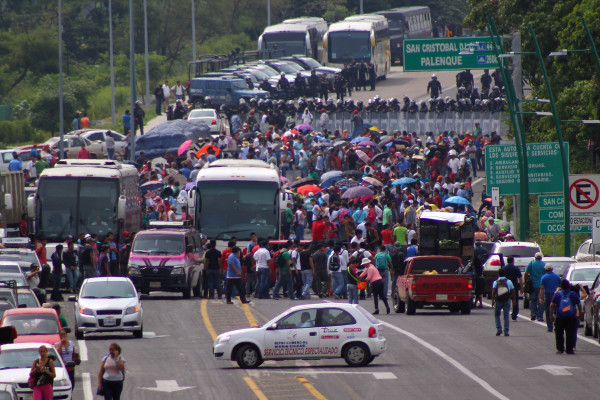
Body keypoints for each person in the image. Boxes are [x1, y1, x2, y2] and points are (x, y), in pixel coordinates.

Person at [550, 279, 582, 354]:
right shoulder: (573, 294)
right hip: (571, 317)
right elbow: (579, 305)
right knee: (570, 333)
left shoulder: (557, 294)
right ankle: (569, 349)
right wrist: (580, 314)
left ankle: (560, 348)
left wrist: (551, 315)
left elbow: (552, 305)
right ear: (569, 286)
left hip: (560, 317)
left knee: (559, 333)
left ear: (561, 286)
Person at [491, 268, 516, 336]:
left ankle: (499, 328)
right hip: (507, 300)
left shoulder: (496, 282)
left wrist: (493, 301)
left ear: (498, 274)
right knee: (506, 316)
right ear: (505, 274)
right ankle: (506, 331)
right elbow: (513, 291)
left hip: (498, 300)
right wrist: (514, 300)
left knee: (497, 315)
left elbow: (493, 292)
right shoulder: (509, 281)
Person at [524, 252, 546, 321]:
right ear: (541, 257)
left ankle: (533, 313)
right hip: (541, 285)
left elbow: (526, 273)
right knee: (541, 300)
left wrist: (526, 281)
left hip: (532, 285)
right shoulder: (544, 264)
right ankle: (540, 316)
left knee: (532, 300)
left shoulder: (531, 264)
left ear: (535, 257)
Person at [539, 264, 561, 332]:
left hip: (547, 295)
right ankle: (557, 325)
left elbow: (542, 288)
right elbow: (560, 286)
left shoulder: (544, 277)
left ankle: (550, 327)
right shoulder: (557, 276)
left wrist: (540, 297)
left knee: (548, 311)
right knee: (557, 310)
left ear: (545, 269)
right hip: (556, 294)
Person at [502, 256, 522, 321]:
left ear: (507, 261)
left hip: (505, 286)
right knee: (515, 300)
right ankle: (514, 315)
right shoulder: (516, 269)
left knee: (505, 300)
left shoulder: (504, 268)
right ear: (513, 261)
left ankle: (506, 313)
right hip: (514, 287)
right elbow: (520, 279)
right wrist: (521, 287)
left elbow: (501, 278)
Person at [471, 240, 488, 308]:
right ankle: (479, 303)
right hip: (480, 274)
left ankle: (475, 303)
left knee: (476, 290)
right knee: (479, 290)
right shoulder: (485, 250)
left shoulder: (473, 251)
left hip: (474, 274)